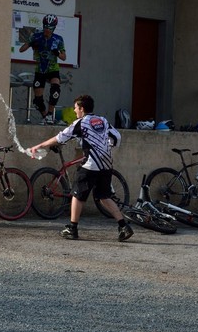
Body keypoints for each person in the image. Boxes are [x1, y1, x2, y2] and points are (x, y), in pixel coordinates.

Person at [29, 94, 133, 242]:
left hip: (91, 164)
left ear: (82, 108)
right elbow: (117, 137)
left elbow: (60, 137)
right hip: (106, 164)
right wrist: (106, 148)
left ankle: (72, 228)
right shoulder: (102, 120)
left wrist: (39, 145)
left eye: (75, 108)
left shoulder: (81, 123)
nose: (74, 110)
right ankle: (123, 226)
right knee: (104, 196)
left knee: (78, 195)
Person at [19, 14, 66, 124]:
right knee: (38, 100)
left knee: (55, 90)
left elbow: (64, 57)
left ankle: (50, 114)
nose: (47, 30)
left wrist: (57, 53)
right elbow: (21, 49)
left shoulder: (58, 39)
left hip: (53, 69)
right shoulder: (36, 36)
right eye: (45, 27)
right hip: (40, 69)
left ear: (53, 28)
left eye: (49, 28)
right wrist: (30, 43)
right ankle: (45, 117)